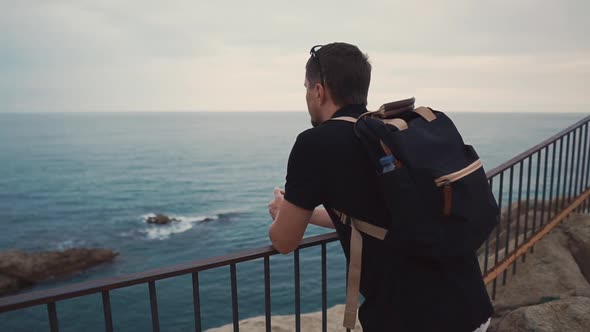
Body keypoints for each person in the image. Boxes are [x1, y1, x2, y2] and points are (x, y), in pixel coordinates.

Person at [267, 42, 493, 332]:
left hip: (413, 318)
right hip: (472, 306)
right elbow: (380, 211)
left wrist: (280, 214)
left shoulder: (315, 143)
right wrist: (306, 214)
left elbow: (284, 242)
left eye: (307, 88)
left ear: (319, 91)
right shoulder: (384, 136)